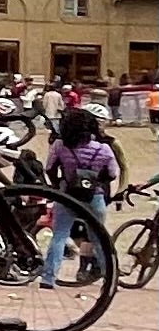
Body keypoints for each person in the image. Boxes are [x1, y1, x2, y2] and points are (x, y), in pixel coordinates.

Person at [40, 102, 119, 287]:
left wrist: (58, 183)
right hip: (95, 196)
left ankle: (48, 278)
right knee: (98, 237)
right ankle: (110, 277)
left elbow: (50, 168)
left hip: (67, 194)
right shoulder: (103, 149)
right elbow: (112, 174)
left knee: (59, 235)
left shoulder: (60, 146)